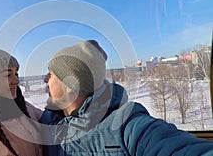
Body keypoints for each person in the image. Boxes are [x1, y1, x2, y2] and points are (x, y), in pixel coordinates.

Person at [39, 40, 213, 156]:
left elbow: (180, 148)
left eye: (51, 73)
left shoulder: (127, 126)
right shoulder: (46, 121)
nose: (45, 79)